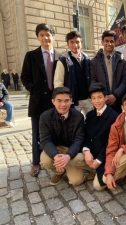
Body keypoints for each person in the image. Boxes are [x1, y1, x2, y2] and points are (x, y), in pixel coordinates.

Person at [21, 23, 60, 177]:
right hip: (37, 102)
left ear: (53, 36)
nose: (45, 37)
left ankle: (55, 159)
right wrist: (34, 89)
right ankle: (36, 162)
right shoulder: (31, 56)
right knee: (37, 133)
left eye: (48, 34)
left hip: (55, 103)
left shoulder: (60, 56)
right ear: (38, 37)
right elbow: (24, 77)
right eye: (42, 34)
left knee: (56, 132)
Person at [39, 87, 86, 186]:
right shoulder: (45, 117)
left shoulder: (78, 117)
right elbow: (45, 140)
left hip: (72, 151)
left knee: (76, 181)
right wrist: (55, 156)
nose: (63, 104)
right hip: (56, 149)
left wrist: (68, 156)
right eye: (59, 101)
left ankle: (69, 166)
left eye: (66, 101)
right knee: (45, 159)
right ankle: (59, 171)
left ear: (71, 101)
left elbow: (79, 139)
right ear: (53, 101)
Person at [82, 83, 118, 190]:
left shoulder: (114, 116)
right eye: (94, 98)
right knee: (77, 159)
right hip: (92, 152)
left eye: (100, 97)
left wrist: (98, 160)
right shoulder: (89, 115)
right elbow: (87, 135)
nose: (97, 101)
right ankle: (92, 169)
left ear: (105, 98)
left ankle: (115, 173)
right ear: (91, 100)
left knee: (98, 186)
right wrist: (86, 151)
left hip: (105, 155)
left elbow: (111, 143)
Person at [54, 31, 92, 116]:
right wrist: (63, 100)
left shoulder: (87, 59)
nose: (75, 45)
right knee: (74, 124)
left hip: (88, 100)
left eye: (77, 42)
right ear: (68, 44)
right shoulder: (63, 61)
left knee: (92, 122)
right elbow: (58, 83)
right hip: (73, 101)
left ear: (81, 43)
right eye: (72, 42)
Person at [91, 30, 126, 113]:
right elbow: (93, 80)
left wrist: (115, 95)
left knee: (117, 124)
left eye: (112, 41)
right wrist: (102, 97)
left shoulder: (122, 61)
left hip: (117, 101)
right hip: (101, 102)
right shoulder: (94, 61)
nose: (109, 44)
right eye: (106, 41)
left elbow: (125, 81)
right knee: (101, 125)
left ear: (115, 43)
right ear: (102, 42)